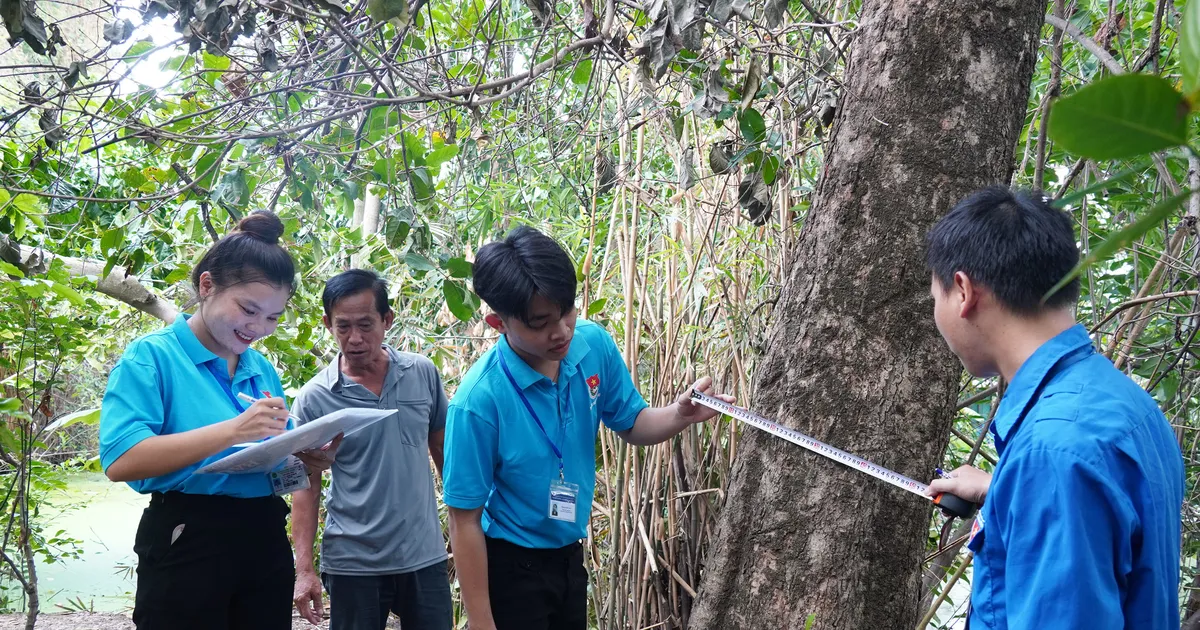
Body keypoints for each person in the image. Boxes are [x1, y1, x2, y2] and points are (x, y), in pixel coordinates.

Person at [443, 226, 733, 630]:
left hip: (567, 556)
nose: (560, 330)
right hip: (510, 566)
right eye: (541, 322)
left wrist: (680, 414)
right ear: (498, 322)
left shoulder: (592, 345)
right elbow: (464, 519)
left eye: (567, 310)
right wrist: (481, 621)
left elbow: (632, 422)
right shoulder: (477, 403)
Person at [923, 187, 1184, 629]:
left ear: (964, 292)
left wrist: (1033, 476)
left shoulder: (1054, 450)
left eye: (936, 298)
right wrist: (1003, 487)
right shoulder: (1123, 402)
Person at [99, 211, 332, 630]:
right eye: (248, 309)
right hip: (188, 535)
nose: (258, 327)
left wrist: (301, 462)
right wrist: (235, 430)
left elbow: (269, 462)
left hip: (263, 534)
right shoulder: (152, 358)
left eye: (273, 317)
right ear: (207, 286)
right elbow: (122, 460)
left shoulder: (259, 367)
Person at [291, 269, 452, 630]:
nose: (355, 339)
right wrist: (304, 569)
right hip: (353, 561)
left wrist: (469, 525)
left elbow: (442, 451)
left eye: (366, 325)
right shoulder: (315, 397)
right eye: (343, 326)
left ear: (387, 320)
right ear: (327, 324)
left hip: (423, 555)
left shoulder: (421, 373)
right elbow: (306, 485)